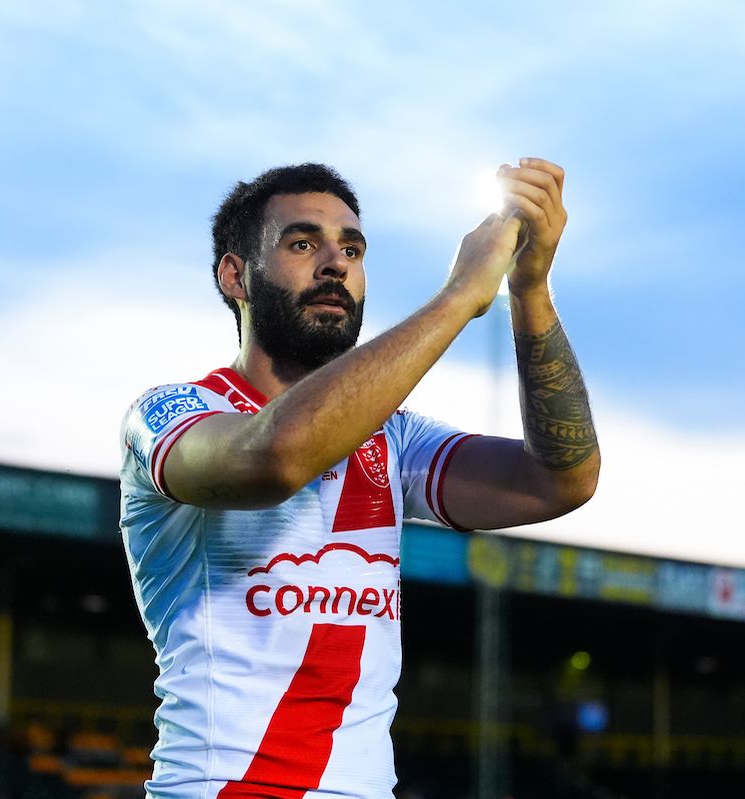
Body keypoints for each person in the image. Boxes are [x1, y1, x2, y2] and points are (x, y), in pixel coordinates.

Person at [119, 158, 600, 799]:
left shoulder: (394, 440)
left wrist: (529, 291)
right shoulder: (170, 415)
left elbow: (561, 480)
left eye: (352, 248)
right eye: (302, 242)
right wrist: (459, 295)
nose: (335, 263)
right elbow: (277, 461)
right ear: (234, 275)